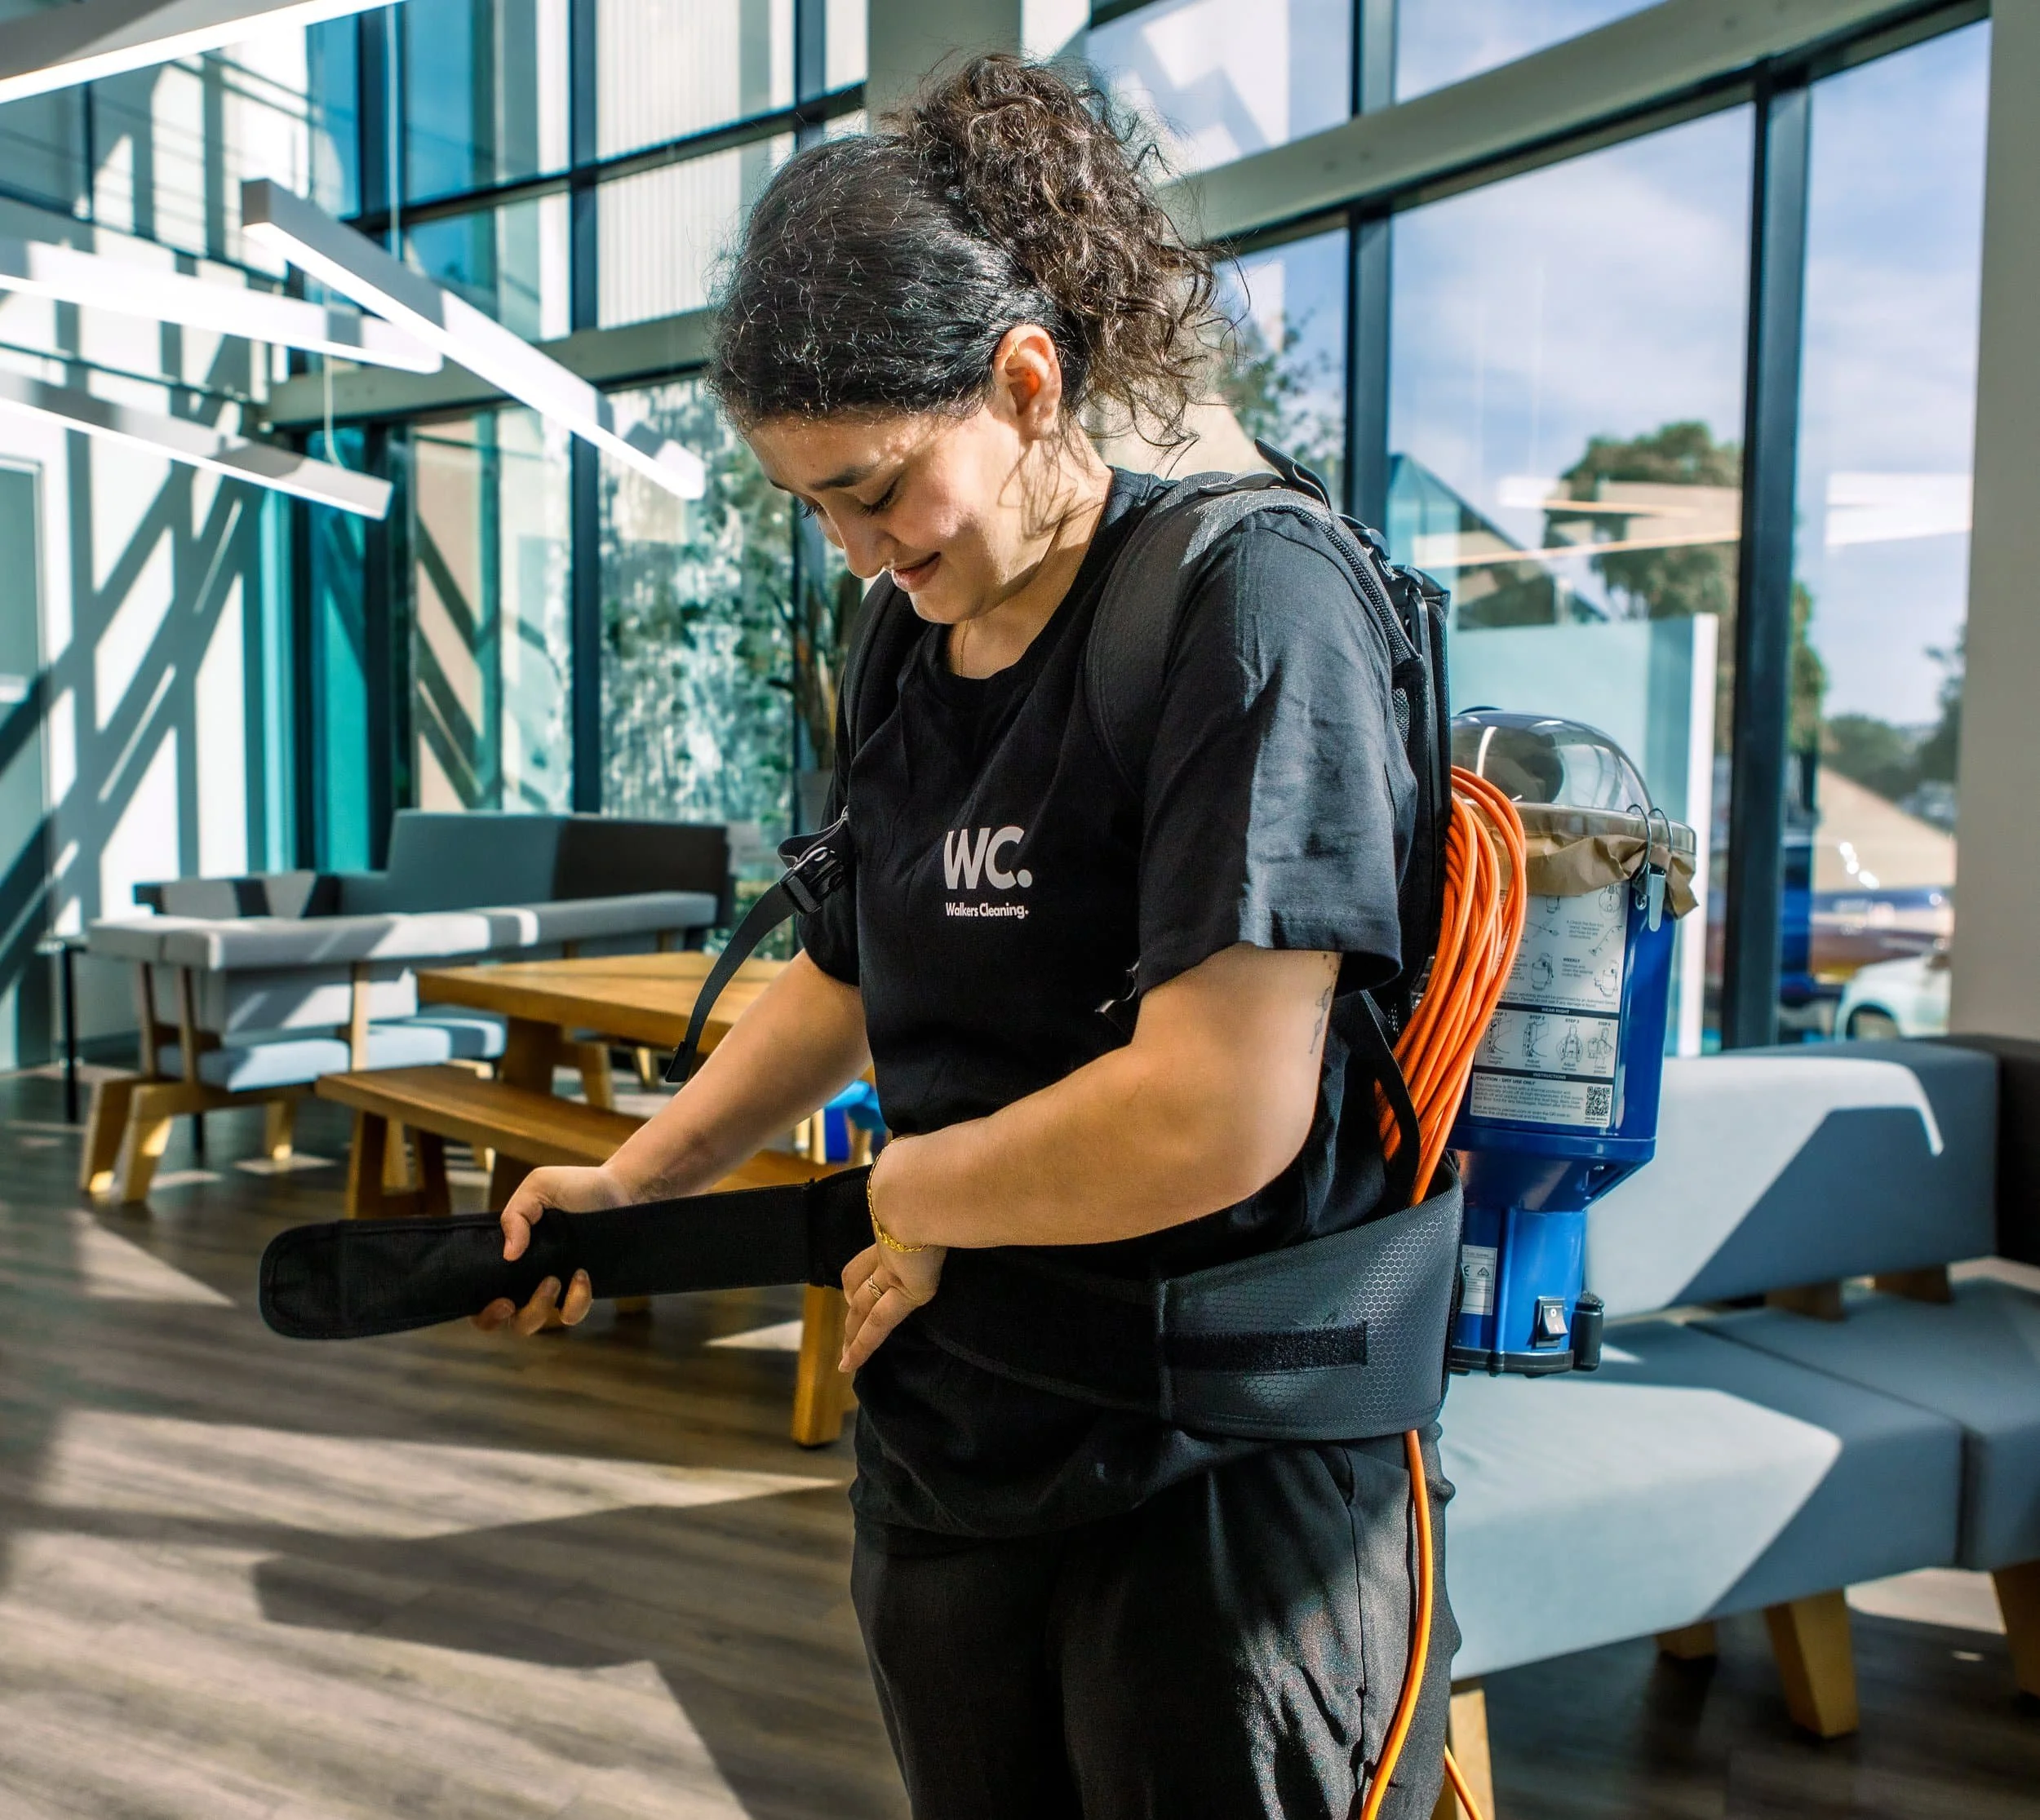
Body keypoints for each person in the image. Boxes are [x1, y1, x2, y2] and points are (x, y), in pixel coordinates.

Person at [476, 53, 1456, 1820]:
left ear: (1023, 380)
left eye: (875, 487)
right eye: (814, 509)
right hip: (949, 1438)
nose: (857, 550)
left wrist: (904, 1198)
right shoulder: (906, 644)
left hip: (1208, 1481)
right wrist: (648, 1175)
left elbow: (1215, 1109)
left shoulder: (1249, 608)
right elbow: (852, 970)